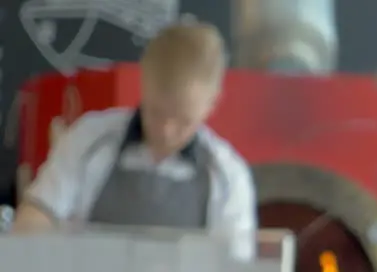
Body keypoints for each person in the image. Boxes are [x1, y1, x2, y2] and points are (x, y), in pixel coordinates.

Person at [12, 21, 256, 252]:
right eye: (156, 112)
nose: (166, 131)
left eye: (183, 120)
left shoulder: (227, 175)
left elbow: (236, 270)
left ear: (212, 103)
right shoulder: (88, 139)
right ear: (144, 85)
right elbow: (37, 216)